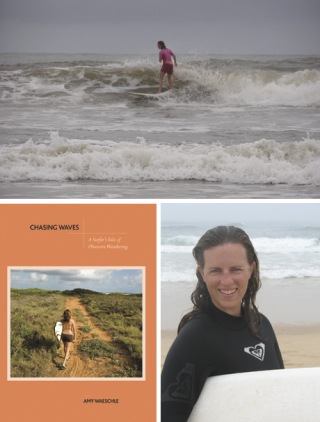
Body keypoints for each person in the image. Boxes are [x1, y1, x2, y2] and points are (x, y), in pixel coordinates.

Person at [161, 226, 284, 422]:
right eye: (216, 271)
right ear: (202, 273)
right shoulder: (194, 337)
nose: (226, 281)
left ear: (251, 269)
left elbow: (280, 396)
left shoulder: (262, 325)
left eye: (236, 269)